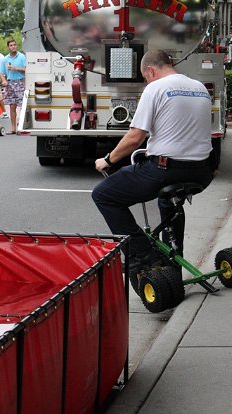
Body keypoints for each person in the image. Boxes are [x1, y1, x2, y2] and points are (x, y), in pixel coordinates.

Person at [92, 49, 214, 273]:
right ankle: (173, 265)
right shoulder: (199, 88)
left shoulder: (155, 88)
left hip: (166, 169)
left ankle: (143, 254)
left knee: (103, 195)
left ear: (150, 70)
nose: (146, 81)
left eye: (145, 77)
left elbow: (135, 137)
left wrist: (108, 160)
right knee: (169, 202)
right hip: (202, 171)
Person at [0, 38, 26, 134]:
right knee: (12, 106)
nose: (13, 47)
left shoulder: (22, 57)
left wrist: (16, 68)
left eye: (14, 45)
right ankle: (13, 127)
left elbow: (27, 69)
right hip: (10, 83)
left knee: (22, 105)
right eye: (11, 45)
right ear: (8, 47)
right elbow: (1, 72)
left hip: (20, 82)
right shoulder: (5, 59)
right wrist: (4, 80)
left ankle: (21, 125)